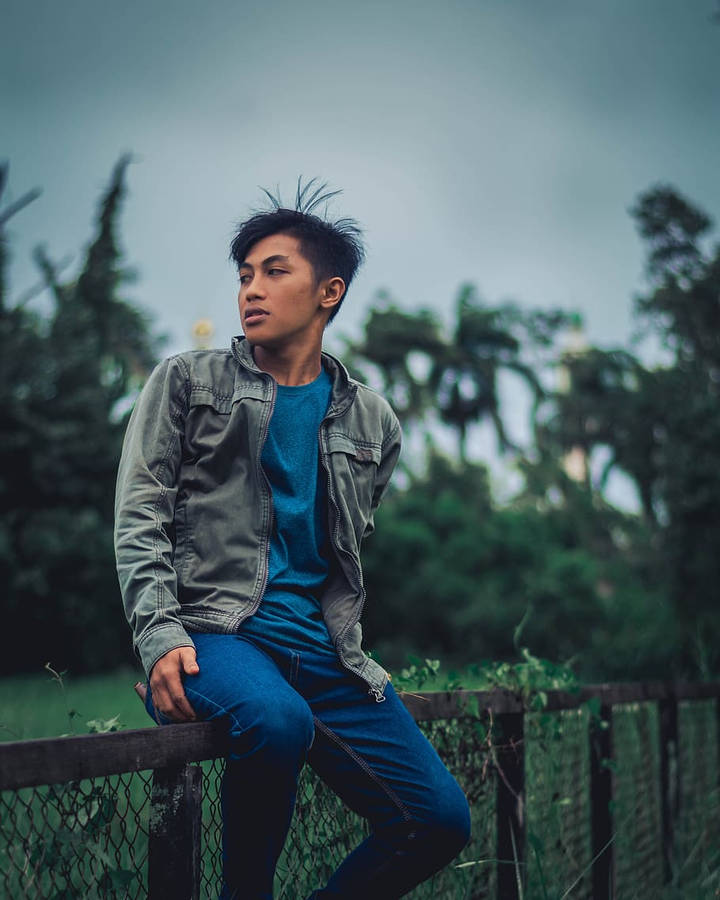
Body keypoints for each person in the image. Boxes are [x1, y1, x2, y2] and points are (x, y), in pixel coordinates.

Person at [114, 181, 471, 899]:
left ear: (328, 291)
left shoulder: (373, 421)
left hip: (324, 650)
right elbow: (140, 514)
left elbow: (341, 547)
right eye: (244, 273)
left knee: (437, 820)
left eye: (274, 270)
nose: (251, 288)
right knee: (275, 720)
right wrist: (158, 636)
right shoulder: (187, 381)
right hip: (215, 635)